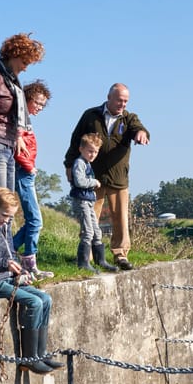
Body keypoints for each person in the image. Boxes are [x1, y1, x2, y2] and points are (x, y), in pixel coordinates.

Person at [0, 187, 63, 374]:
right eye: (5, 215)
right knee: (34, 302)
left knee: (46, 299)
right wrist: (5, 264)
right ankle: (28, 359)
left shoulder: (3, 225)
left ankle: (40, 353)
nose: (7, 220)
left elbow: (10, 254)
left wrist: (20, 272)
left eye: (10, 217)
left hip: (6, 277)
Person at [63, 83, 150, 270]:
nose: (122, 104)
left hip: (118, 178)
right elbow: (75, 140)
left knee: (120, 219)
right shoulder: (91, 115)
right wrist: (69, 164)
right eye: (119, 100)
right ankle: (88, 256)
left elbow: (139, 128)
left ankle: (120, 255)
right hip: (93, 177)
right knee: (89, 217)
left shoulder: (129, 119)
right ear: (109, 97)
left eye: (126, 101)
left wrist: (142, 134)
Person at [0, 33, 45, 202]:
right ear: (13, 55)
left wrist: (17, 136)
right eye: (25, 62)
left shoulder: (11, 81)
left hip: (8, 145)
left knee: (8, 205)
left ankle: (5, 230)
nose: (26, 68)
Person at [12, 80, 54, 279]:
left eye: (42, 105)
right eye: (37, 102)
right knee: (35, 220)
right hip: (23, 172)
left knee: (33, 220)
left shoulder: (27, 119)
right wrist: (29, 167)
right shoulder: (21, 119)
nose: (39, 107)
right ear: (26, 99)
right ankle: (28, 262)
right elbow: (17, 145)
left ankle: (10, 250)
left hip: (26, 172)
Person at [70, 133, 118, 273]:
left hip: (89, 201)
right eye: (90, 151)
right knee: (88, 231)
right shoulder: (79, 163)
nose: (93, 154)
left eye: (95, 152)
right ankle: (83, 262)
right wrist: (94, 182)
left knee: (97, 231)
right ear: (81, 149)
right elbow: (79, 181)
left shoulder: (87, 164)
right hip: (81, 201)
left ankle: (100, 260)